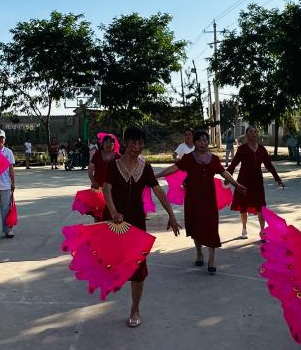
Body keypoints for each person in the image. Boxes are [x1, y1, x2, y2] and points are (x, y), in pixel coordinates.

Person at [102, 125, 181, 328]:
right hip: (114, 223)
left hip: (136, 224)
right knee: (110, 262)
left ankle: (135, 308)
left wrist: (171, 215)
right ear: (125, 142)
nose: (137, 146)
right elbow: (107, 189)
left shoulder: (145, 167)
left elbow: (158, 190)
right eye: (133, 142)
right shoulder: (113, 165)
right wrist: (113, 212)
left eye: (140, 143)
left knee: (138, 267)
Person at [156, 129, 244, 274]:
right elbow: (174, 168)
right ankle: (199, 253)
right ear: (195, 142)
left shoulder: (214, 159)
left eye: (205, 140)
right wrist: (157, 175)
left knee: (211, 227)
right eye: (199, 140)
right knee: (195, 226)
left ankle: (212, 258)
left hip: (209, 199)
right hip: (193, 199)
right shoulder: (189, 158)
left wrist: (236, 184)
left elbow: (224, 172)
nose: (202, 143)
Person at [228, 126, 284, 239]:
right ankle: (244, 228)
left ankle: (263, 231)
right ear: (246, 134)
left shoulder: (262, 149)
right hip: (243, 181)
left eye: (255, 132)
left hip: (257, 182)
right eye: (250, 132)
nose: (253, 134)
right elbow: (234, 164)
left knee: (261, 206)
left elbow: (268, 165)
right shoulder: (242, 149)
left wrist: (277, 178)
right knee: (243, 206)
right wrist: (228, 177)